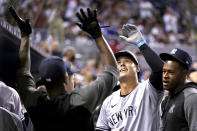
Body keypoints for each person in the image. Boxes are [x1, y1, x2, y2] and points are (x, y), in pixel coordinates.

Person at [10, 6, 118, 131]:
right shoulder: (80, 101)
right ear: (65, 78)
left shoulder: (34, 101)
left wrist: (25, 36)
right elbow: (112, 72)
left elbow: (23, 71)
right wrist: (97, 34)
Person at [96, 24, 164, 131]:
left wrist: (141, 44)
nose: (121, 64)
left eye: (127, 61)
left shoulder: (148, 89)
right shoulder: (108, 101)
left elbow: (161, 70)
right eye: (118, 63)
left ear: (137, 68)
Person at [159, 48, 197, 131]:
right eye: (164, 71)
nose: (165, 76)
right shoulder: (169, 97)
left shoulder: (192, 97)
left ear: (184, 73)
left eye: (171, 72)